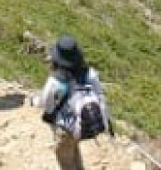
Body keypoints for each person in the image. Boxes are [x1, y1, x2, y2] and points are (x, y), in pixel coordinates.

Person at [38, 35, 111, 170]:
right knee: (74, 149)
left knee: (65, 158)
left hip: (65, 128)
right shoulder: (90, 74)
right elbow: (100, 95)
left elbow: (45, 103)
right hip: (81, 124)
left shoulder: (55, 81)